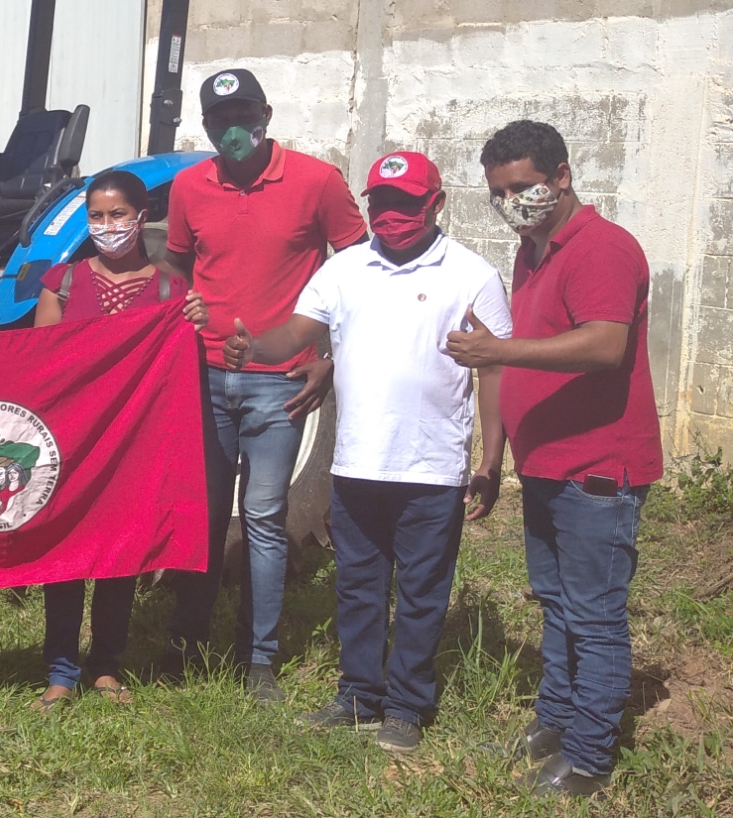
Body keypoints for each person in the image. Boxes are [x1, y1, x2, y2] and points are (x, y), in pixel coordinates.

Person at [221, 152, 509, 756]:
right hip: (355, 463)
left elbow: (496, 371)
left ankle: (406, 705)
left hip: (431, 465)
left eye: (406, 204)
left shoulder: (471, 274)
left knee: (423, 589)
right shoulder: (344, 269)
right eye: (381, 203)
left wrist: (489, 461)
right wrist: (255, 345)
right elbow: (296, 335)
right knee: (357, 586)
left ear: (435, 205)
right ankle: (359, 694)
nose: (392, 215)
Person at [446, 120, 663, 798]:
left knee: (594, 616)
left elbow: (603, 345)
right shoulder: (532, 251)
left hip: (597, 470)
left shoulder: (601, 249)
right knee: (559, 607)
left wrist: (497, 353)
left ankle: (591, 758)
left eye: (524, 187)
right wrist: (494, 459)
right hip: (546, 466)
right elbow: (523, 363)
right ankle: (557, 720)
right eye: (499, 193)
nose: (512, 202)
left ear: (561, 177)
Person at [158, 68, 369, 701]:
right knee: (201, 513)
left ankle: (258, 659)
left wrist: (329, 354)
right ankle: (187, 644)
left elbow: (360, 272)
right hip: (205, 373)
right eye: (219, 119)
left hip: (280, 383)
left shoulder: (316, 182)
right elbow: (174, 264)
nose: (232, 128)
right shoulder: (189, 186)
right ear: (206, 125)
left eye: (243, 113)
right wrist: (182, 308)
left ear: (267, 115)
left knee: (264, 516)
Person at [29, 170, 207, 708]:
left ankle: (105, 663)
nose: (107, 226)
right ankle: (61, 669)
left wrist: (195, 323)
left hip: (132, 445)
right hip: (72, 443)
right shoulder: (61, 282)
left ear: (141, 218)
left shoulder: (170, 291)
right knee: (64, 553)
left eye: (118, 215)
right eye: (97, 216)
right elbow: (40, 364)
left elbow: (182, 375)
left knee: (119, 554)